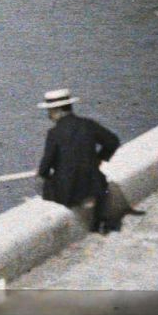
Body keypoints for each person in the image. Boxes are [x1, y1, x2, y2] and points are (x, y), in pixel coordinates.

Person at [36, 87, 123, 232]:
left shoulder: (54, 133)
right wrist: (99, 158)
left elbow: (45, 168)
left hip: (69, 192)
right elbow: (112, 141)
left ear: (56, 111)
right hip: (93, 186)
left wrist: (43, 174)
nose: (49, 115)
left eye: (49, 111)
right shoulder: (88, 125)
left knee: (45, 183)